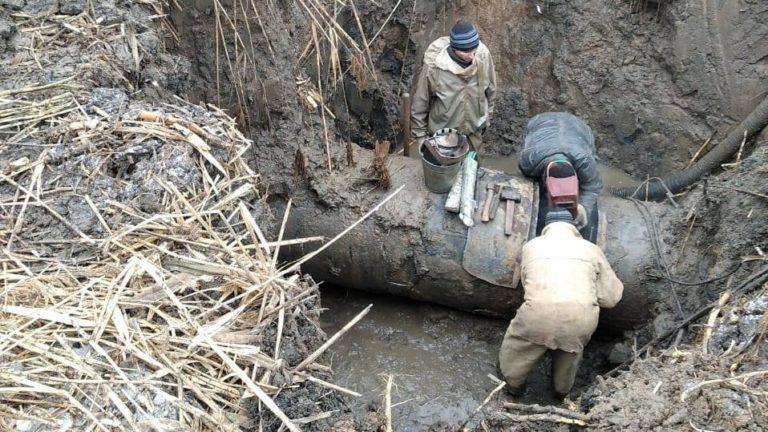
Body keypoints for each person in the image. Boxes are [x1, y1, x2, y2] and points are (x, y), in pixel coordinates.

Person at [498, 208, 623, 398]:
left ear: (546, 227)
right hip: (580, 319)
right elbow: (611, 298)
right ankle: (561, 393)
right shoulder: (592, 249)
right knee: (570, 354)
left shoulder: (531, 246)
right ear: (574, 227)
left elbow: (526, 282)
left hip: (538, 314)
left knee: (517, 348)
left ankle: (513, 387)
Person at [411, 20, 497, 154]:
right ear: (454, 48)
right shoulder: (435, 67)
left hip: (473, 134)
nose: (472, 55)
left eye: (474, 49)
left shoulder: (483, 55)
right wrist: (421, 137)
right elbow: (420, 103)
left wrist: (487, 117)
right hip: (443, 138)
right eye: (466, 51)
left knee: (473, 171)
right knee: (445, 173)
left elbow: (491, 89)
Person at [518, 112, 602, 242]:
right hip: (539, 122)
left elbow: (592, 187)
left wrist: (584, 207)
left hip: (579, 127)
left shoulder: (586, 162)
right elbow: (527, 183)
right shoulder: (529, 161)